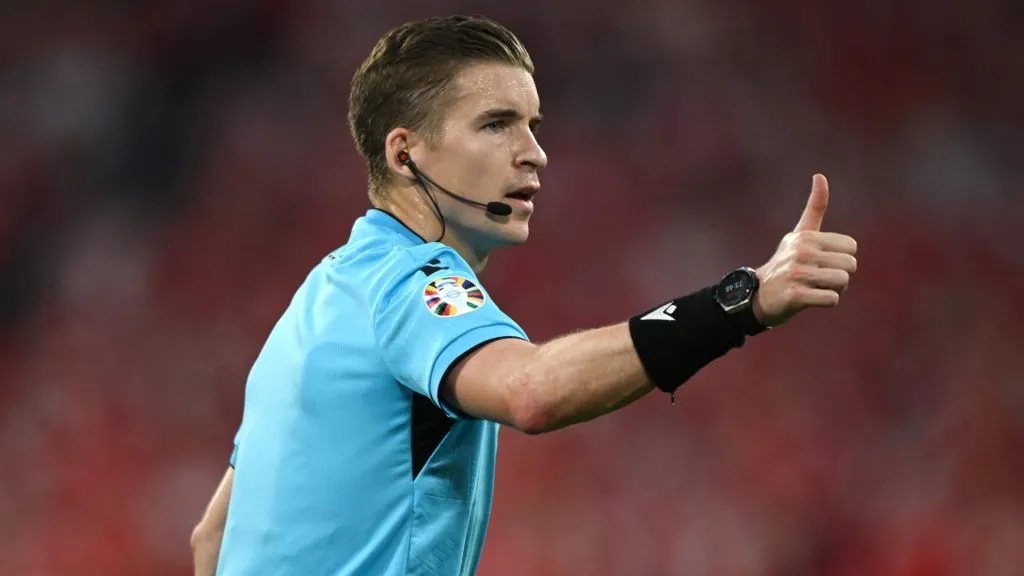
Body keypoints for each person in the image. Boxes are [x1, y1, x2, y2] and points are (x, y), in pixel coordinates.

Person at [189, 14, 858, 576]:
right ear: (404, 155)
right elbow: (532, 391)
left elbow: (211, 539)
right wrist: (741, 302)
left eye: (534, 124)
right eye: (496, 124)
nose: (534, 152)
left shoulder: (316, 303)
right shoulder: (409, 281)